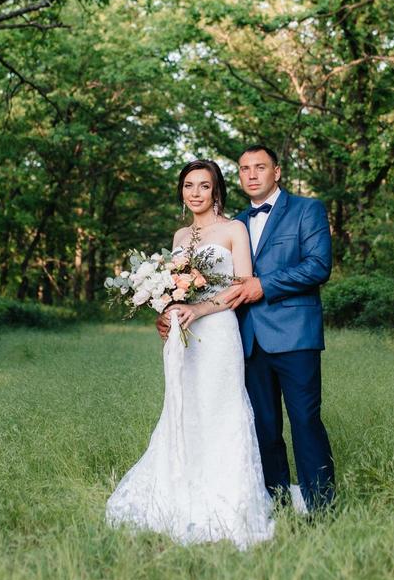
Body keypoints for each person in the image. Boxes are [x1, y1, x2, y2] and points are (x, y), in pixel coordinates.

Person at [105, 160, 274, 548]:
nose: (195, 192)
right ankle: (181, 486)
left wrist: (199, 309)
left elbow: (242, 285)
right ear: (181, 192)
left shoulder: (234, 229)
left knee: (221, 408)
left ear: (216, 190)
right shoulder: (180, 234)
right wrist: (166, 311)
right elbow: (174, 289)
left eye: (203, 185)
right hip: (185, 336)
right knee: (186, 409)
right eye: (188, 186)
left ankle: (227, 497)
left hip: (218, 332)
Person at [159, 145, 336, 513]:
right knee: (263, 426)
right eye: (244, 168)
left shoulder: (307, 210)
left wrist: (264, 285)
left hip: (294, 334)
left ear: (278, 171)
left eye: (260, 167)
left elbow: (318, 266)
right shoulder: (233, 221)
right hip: (244, 337)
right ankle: (277, 500)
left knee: (305, 420)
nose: (251, 174)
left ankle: (322, 506)